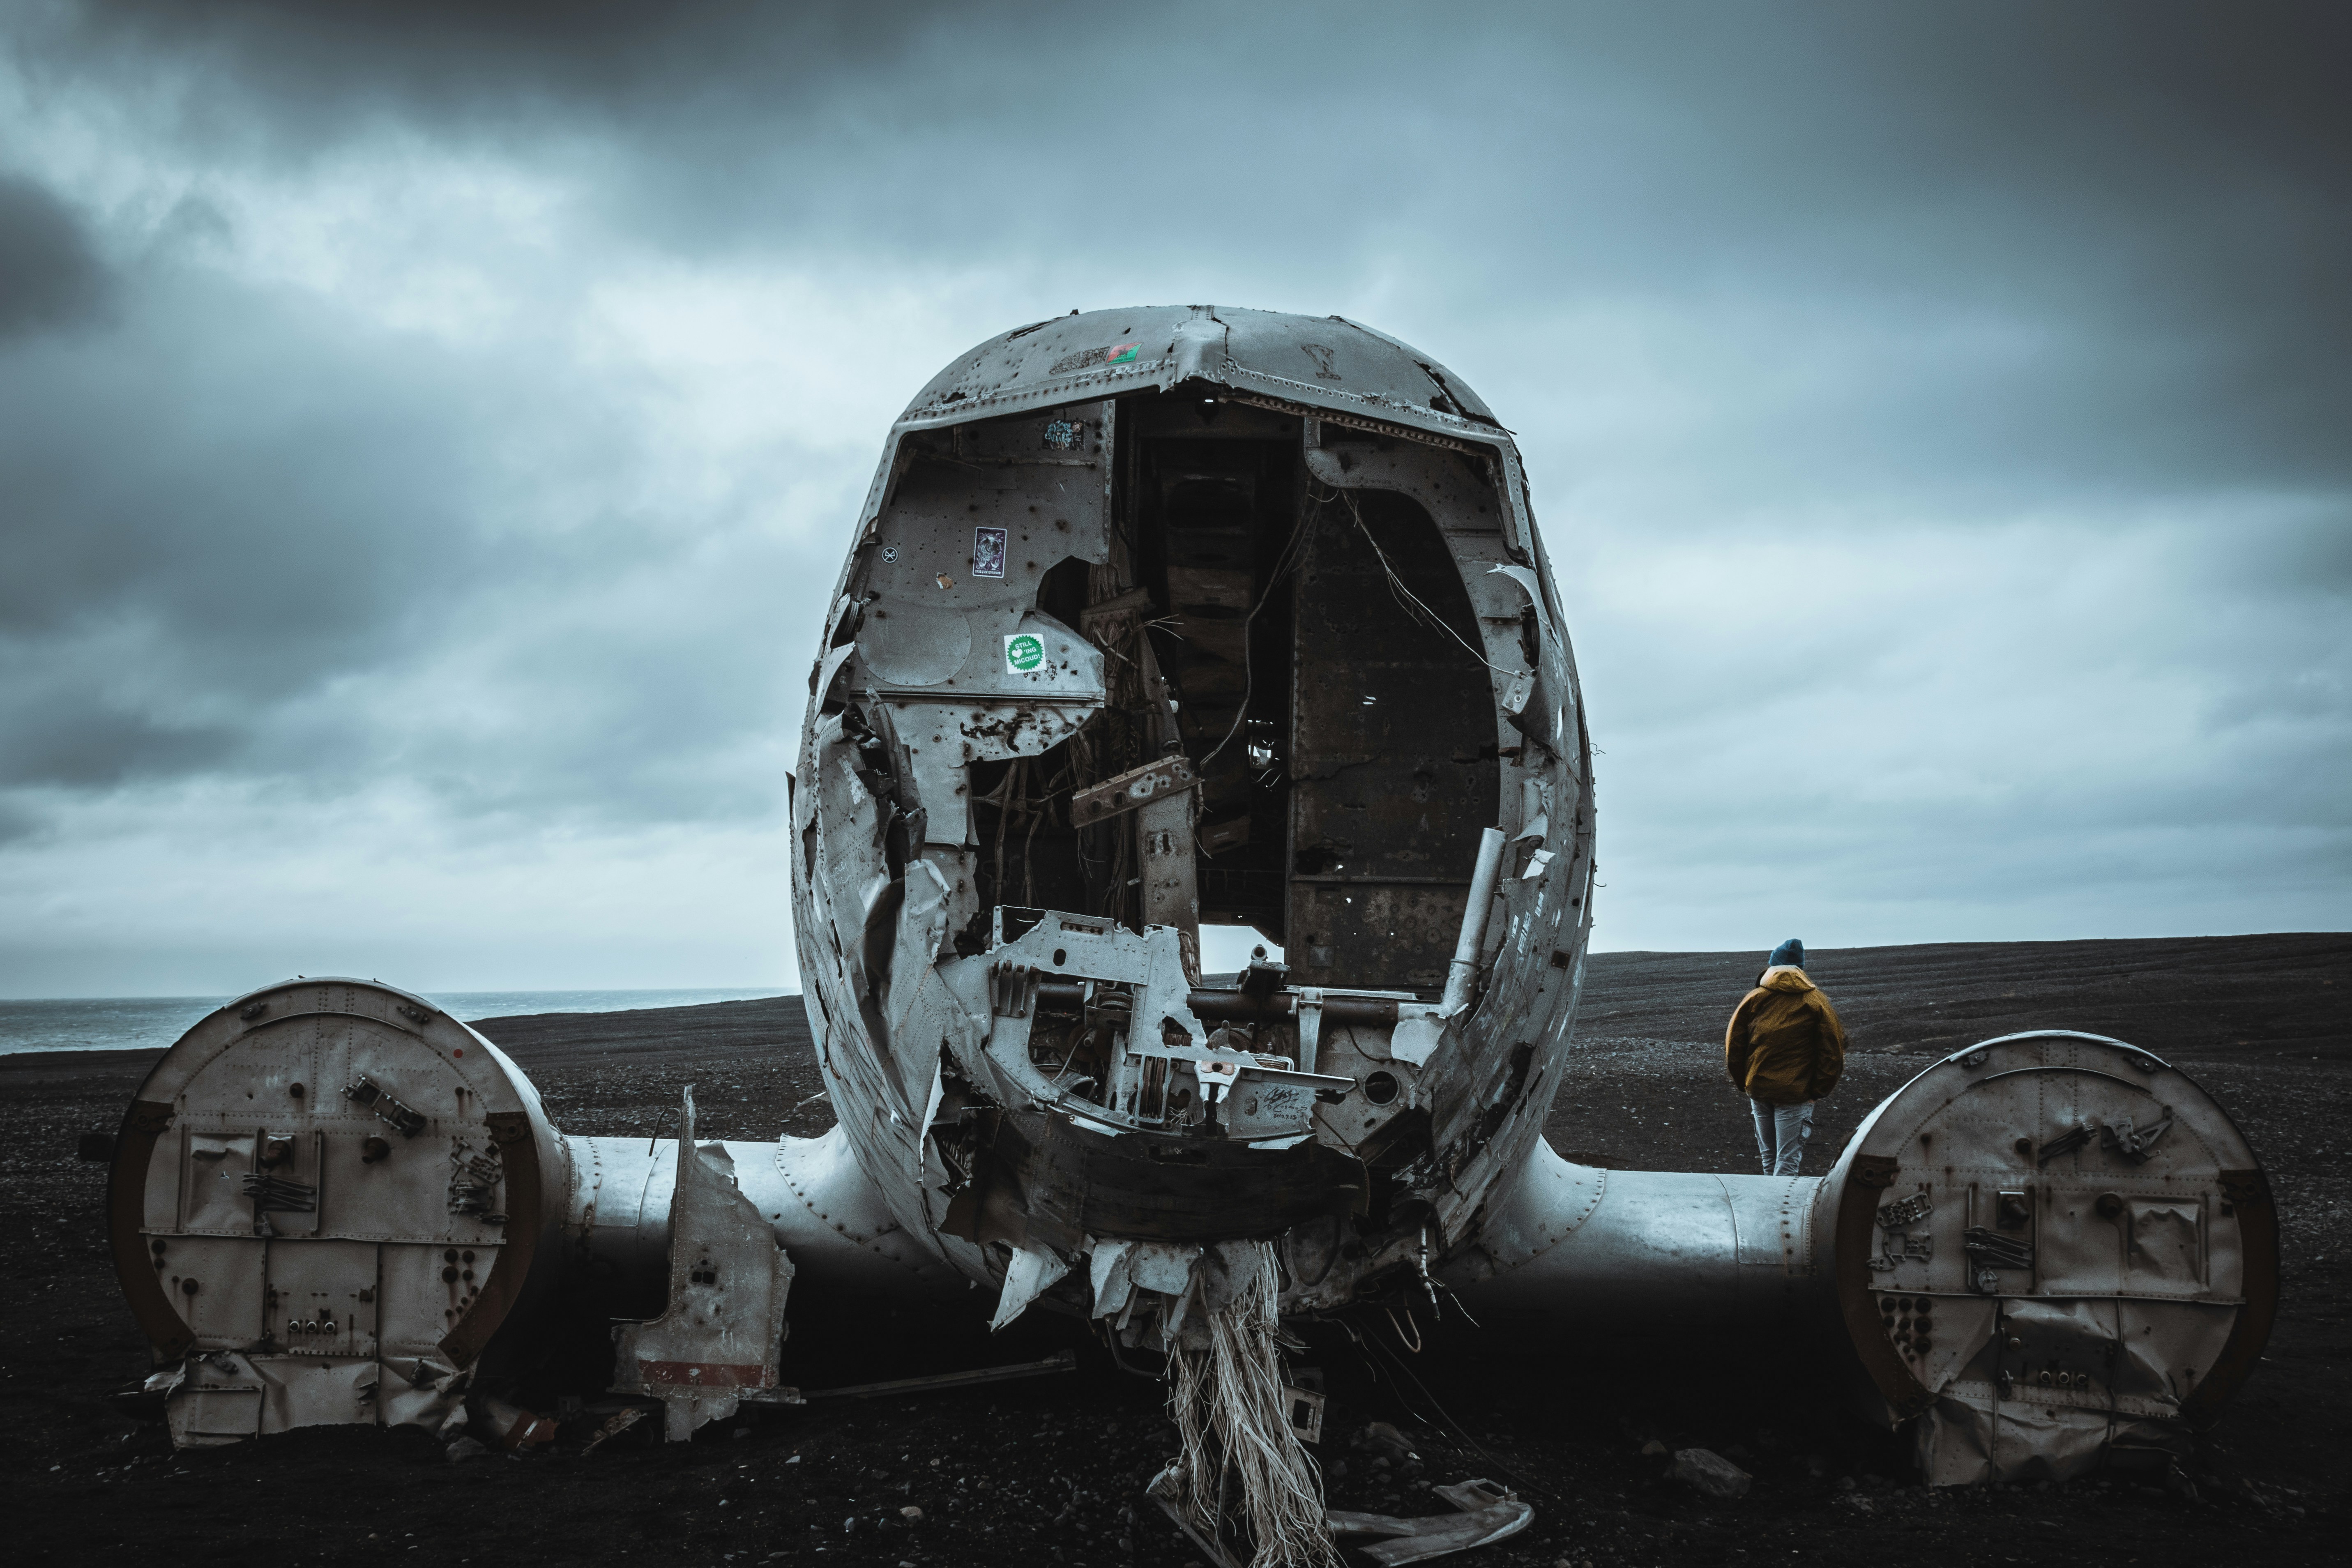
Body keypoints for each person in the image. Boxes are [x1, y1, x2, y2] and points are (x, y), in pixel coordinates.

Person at [1724, 938, 1847, 1176]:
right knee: (1787, 1161)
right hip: (1796, 1094)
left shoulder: (1754, 999)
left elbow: (1734, 1046)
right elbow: (1832, 1052)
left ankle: (1770, 1200)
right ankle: (1780, 1201)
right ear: (1801, 968)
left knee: (1769, 1158)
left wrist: (1745, 1083)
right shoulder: (1817, 1002)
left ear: (1773, 966)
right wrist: (1817, 1092)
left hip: (1759, 1089)